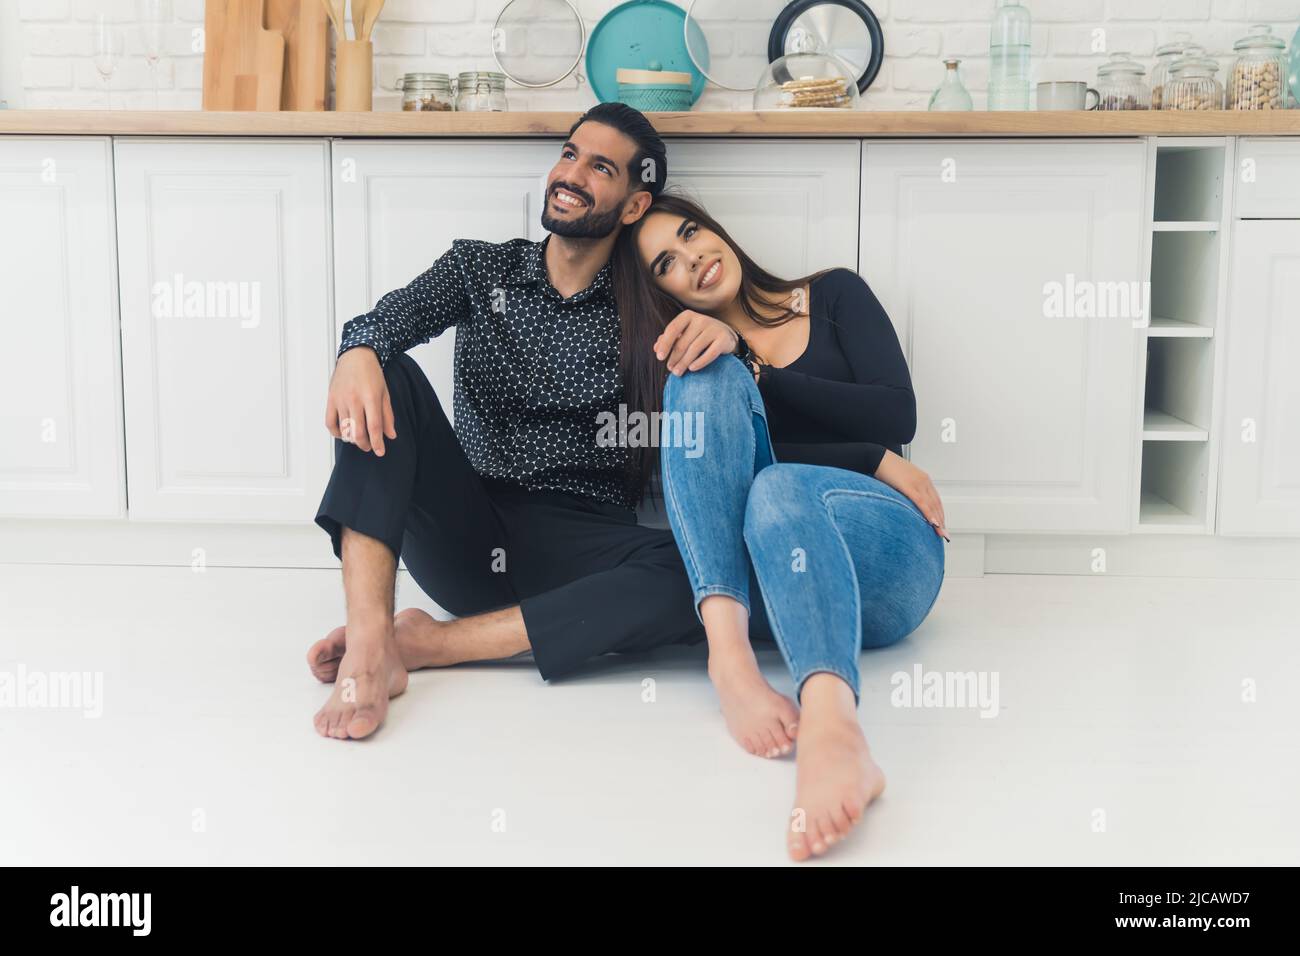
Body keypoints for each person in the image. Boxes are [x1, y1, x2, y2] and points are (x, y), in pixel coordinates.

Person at [307, 104, 744, 741]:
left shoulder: (652, 306)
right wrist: (357, 351)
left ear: (631, 205)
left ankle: (432, 644)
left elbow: (745, 387)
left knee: (704, 577)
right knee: (387, 372)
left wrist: (725, 335)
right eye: (569, 155)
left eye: (600, 167)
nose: (572, 175)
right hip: (469, 527)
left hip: (583, 544)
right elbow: (381, 323)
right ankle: (372, 643)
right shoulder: (479, 270)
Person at [614, 190, 948, 861]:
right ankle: (739, 670)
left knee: (775, 481)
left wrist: (754, 361)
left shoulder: (833, 296)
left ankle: (828, 728)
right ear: (666, 297)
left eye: (690, 232)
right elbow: (733, 478)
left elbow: (895, 417)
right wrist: (734, 361)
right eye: (667, 266)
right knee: (703, 382)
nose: (694, 258)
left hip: (890, 557)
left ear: (715, 227)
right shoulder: (703, 365)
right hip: (775, 588)